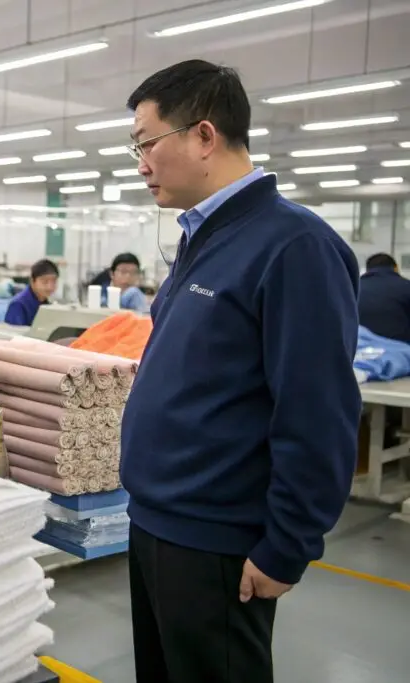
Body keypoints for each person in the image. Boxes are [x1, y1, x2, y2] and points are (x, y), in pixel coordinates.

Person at [118, 60, 360, 683]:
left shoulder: (292, 246)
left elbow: (319, 412)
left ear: (204, 135)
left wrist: (287, 545)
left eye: (146, 142)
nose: (139, 162)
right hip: (154, 523)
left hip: (216, 540)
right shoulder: (202, 238)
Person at [358, 252, 410, 343]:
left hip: (358, 351)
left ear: (367, 269)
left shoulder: (352, 288)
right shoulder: (406, 286)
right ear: (396, 268)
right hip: (399, 351)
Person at [4, 258, 59, 326]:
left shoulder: (46, 303)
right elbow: (16, 334)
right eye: (45, 282)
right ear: (32, 281)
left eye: (54, 281)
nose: (50, 287)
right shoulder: (18, 305)